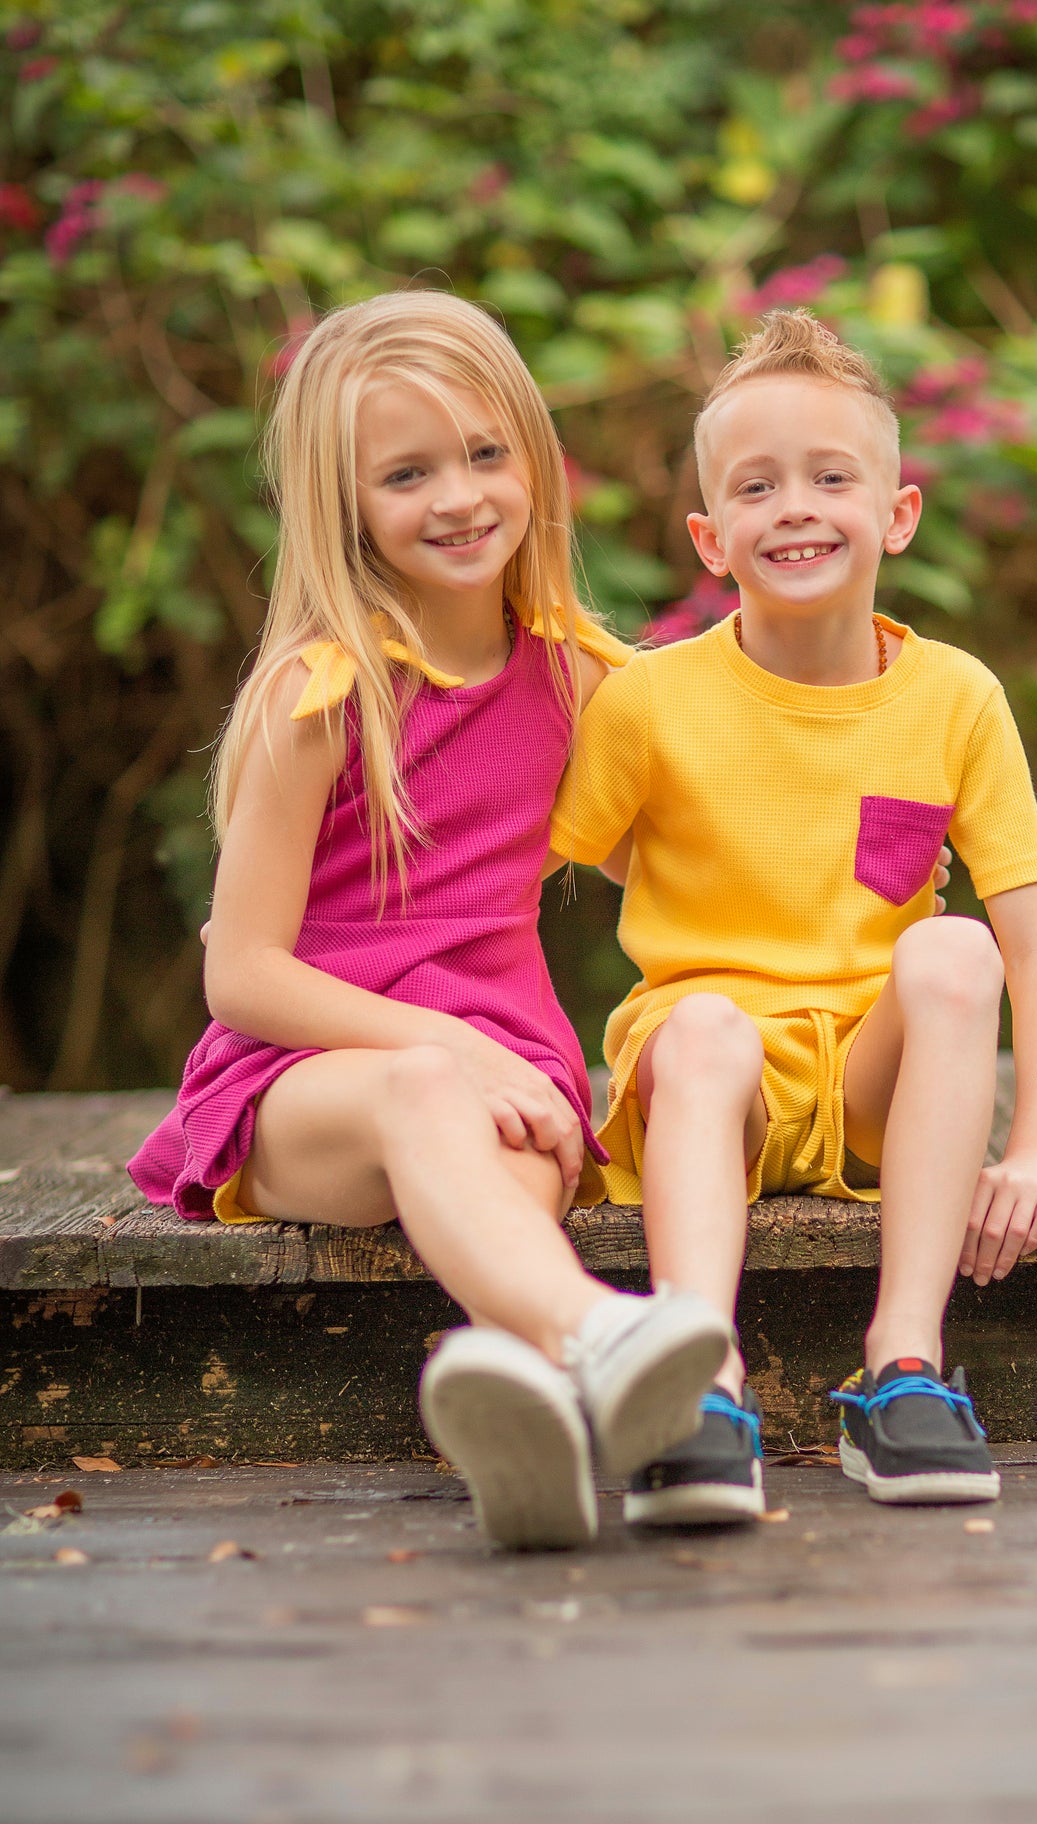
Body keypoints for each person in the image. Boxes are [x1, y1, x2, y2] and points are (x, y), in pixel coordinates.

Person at [128, 291, 731, 1552]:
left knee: (504, 1183)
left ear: (531, 458)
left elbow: (689, 869)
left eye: (483, 453)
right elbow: (238, 973)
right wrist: (437, 1046)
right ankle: (605, 1338)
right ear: (342, 504)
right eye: (406, 473)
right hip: (309, 1082)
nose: (456, 496)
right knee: (417, 1094)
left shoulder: (577, 675)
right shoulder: (321, 692)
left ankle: (539, 1433)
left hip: (509, 1064)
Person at [550, 308, 1037, 1527]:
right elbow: (516, 878)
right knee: (701, 1029)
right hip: (703, 1077)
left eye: (829, 477)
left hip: (867, 1083)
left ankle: (901, 1363)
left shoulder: (953, 697)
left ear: (895, 513)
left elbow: (1035, 940)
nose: (793, 506)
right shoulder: (649, 700)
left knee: (952, 944)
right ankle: (701, 1384)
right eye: (756, 486)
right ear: (711, 535)